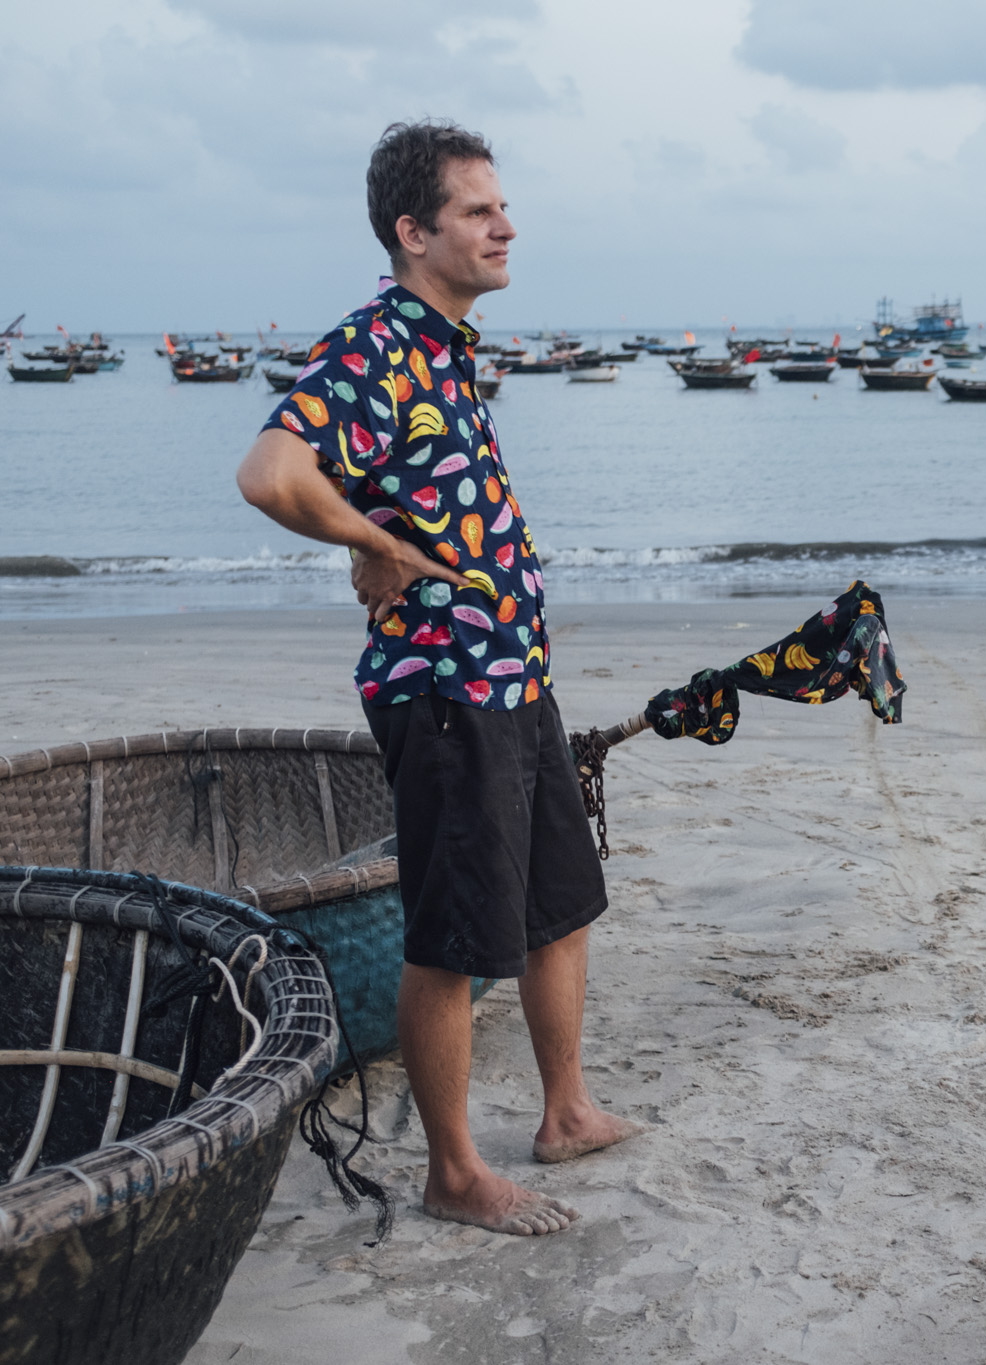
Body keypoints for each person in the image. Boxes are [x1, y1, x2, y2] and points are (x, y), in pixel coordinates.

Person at [235, 120, 642, 1236]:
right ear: (414, 233)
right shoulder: (373, 346)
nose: (505, 225)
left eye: (501, 206)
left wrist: (372, 531)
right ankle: (454, 1172)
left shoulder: (446, 345)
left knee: (561, 905)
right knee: (454, 937)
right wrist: (376, 542)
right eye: (477, 210)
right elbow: (270, 473)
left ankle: (564, 1111)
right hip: (447, 688)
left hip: (515, 675)